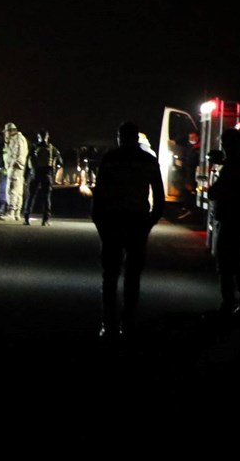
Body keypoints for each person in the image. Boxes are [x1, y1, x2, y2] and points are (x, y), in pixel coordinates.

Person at [91, 121, 165, 338]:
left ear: (120, 137)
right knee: (133, 276)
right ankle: (128, 323)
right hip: (137, 221)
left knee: (110, 275)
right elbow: (159, 199)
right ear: (137, 138)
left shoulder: (110, 159)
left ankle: (108, 324)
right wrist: (149, 223)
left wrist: (100, 222)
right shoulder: (148, 161)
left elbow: (99, 194)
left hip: (113, 221)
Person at [208, 128, 240, 319]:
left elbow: (215, 191)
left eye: (225, 144)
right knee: (239, 265)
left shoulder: (232, 166)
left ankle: (230, 304)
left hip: (231, 221)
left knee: (226, 265)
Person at [24, 130, 62, 226]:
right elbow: (60, 161)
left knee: (31, 196)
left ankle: (26, 218)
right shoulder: (51, 148)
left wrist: (26, 174)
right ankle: (45, 220)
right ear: (47, 136)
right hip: (47, 173)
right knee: (46, 197)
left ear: (38, 137)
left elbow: (27, 159)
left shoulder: (34, 147)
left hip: (35, 173)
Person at [2, 122, 29, 221]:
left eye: (6, 132)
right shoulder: (14, 139)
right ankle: (17, 212)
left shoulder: (18, 139)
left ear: (11, 131)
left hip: (15, 168)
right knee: (17, 190)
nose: (5, 134)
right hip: (15, 167)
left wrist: (16, 164)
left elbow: (20, 153)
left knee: (12, 190)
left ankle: (11, 212)